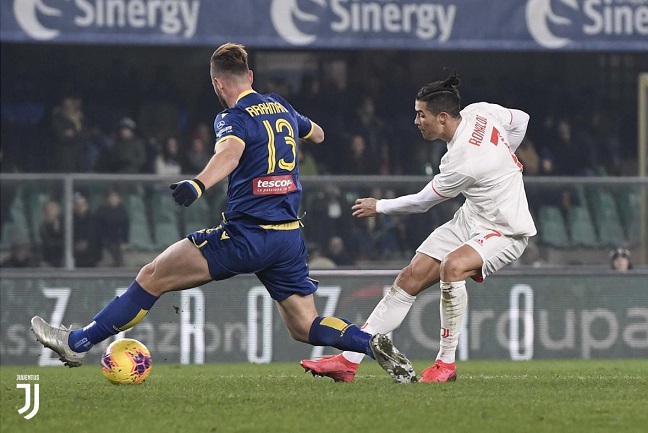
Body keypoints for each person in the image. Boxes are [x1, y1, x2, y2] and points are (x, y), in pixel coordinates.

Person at [30, 42, 414, 384]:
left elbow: (228, 153)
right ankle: (369, 341)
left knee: (152, 277)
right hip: (288, 238)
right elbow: (319, 134)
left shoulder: (233, 117)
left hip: (247, 236)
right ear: (250, 75)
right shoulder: (280, 105)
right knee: (305, 325)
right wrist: (295, 132)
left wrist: (198, 184)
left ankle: (77, 343)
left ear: (218, 84)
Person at [301, 73, 537, 383]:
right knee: (410, 277)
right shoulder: (481, 111)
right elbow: (521, 119)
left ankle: (446, 364)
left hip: (505, 228)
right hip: (473, 216)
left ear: (442, 118)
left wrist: (379, 206)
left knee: (452, 267)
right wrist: (506, 158)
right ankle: (348, 361)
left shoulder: (464, 160)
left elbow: (422, 202)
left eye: (420, 114)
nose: (416, 121)